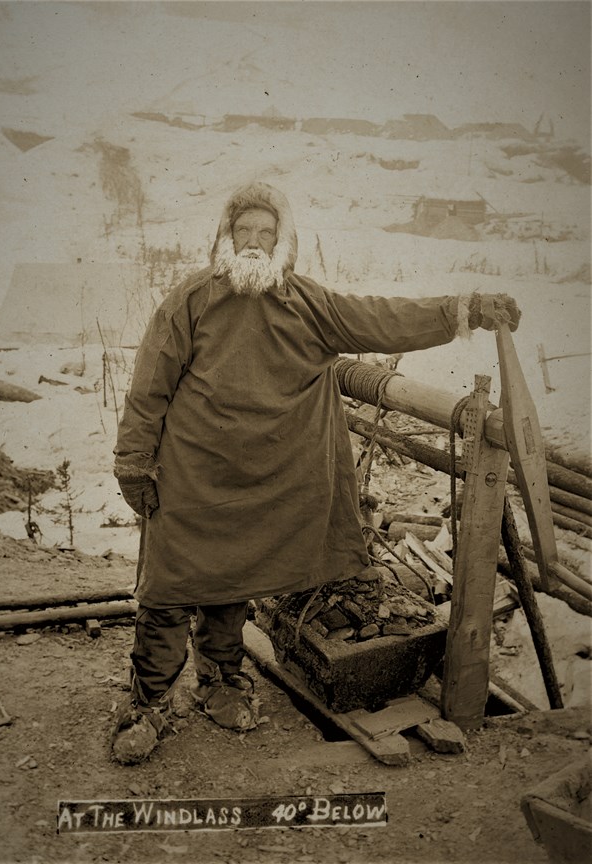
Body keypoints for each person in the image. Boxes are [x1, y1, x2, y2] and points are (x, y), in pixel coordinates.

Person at [111, 181, 520, 764]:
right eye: (243, 231)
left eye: (265, 233)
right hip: (190, 476)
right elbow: (149, 383)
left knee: (232, 581)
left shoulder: (307, 302)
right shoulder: (192, 299)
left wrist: (466, 310)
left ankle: (220, 682)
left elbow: (382, 319)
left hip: (261, 480)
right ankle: (147, 704)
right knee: (169, 589)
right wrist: (133, 459)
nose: (253, 242)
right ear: (225, 238)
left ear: (284, 243)